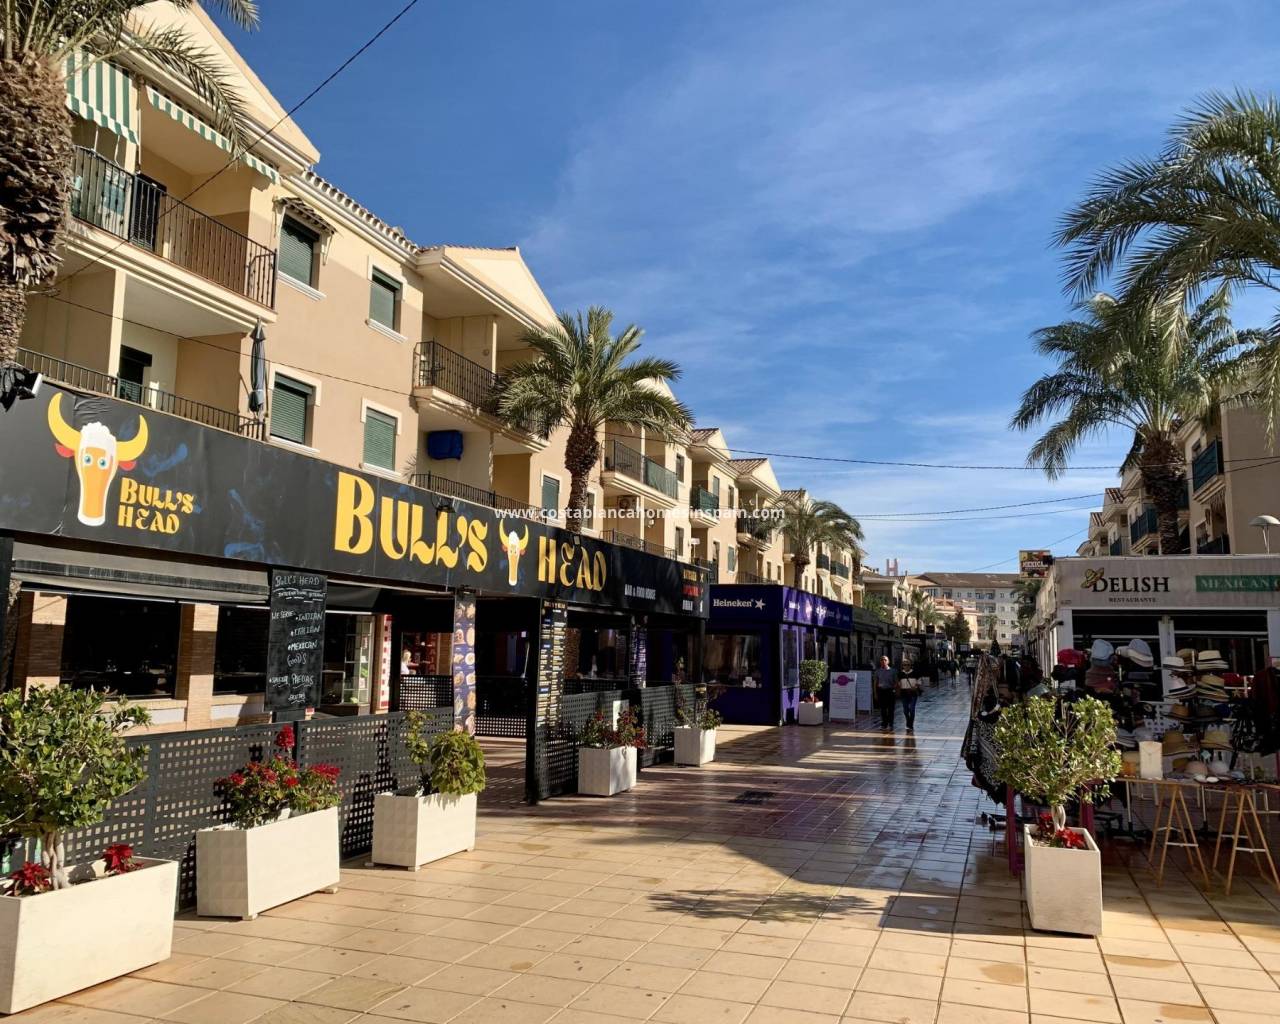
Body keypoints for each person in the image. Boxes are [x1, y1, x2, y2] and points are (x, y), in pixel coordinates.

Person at [874, 655, 898, 729]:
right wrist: (875, 693)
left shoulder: (893, 671)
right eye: (882, 660)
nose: (883, 661)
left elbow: (896, 682)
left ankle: (891, 724)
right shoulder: (878, 671)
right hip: (881, 691)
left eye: (885, 660)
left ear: (888, 661)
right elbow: (875, 683)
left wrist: (895, 690)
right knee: (883, 709)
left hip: (890, 691)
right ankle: (884, 724)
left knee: (891, 709)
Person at [899, 661, 921, 731]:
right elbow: (898, 683)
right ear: (903, 666)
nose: (906, 666)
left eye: (908, 665)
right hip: (904, 693)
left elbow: (919, 682)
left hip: (913, 693)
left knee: (912, 709)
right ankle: (908, 722)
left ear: (910, 665)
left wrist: (915, 687)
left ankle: (910, 725)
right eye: (904, 665)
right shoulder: (900, 674)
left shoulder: (915, 673)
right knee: (905, 710)